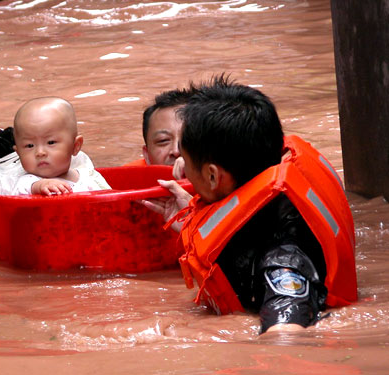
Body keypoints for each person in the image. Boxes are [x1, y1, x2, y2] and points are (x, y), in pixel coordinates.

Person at [143, 74, 357, 333]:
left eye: (186, 162)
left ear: (212, 176)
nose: (181, 169)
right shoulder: (269, 188)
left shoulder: (282, 260)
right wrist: (193, 222)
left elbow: (288, 337)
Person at [0, 97, 111, 195]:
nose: (40, 152)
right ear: (18, 153)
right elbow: (24, 188)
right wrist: (40, 186)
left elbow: (110, 195)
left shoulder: (87, 176)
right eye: (29, 146)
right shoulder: (27, 181)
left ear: (75, 146)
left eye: (50, 143)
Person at [126, 86, 197, 175]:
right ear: (147, 156)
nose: (176, 151)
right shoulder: (122, 184)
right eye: (163, 140)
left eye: (188, 138)